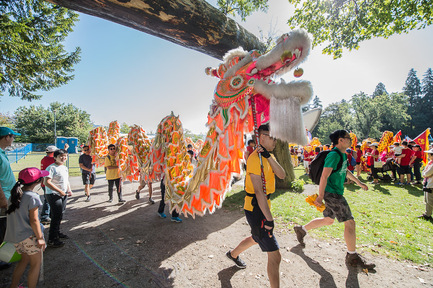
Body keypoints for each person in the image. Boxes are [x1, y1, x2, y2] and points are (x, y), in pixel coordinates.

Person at [293, 130, 375, 270]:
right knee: (350, 222)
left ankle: (301, 229)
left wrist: (359, 183)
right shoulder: (333, 155)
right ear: (340, 140)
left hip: (334, 192)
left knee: (328, 220)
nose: (350, 140)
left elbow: (345, 171)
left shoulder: (343, 155)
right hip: (332, 194)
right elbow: (324, 176)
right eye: (348, 138)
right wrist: (320, 196)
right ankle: (352, 256)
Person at [226, 124, 285, 288]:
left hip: (263, 204)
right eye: (273, 137)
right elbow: (258, 192)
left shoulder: (267, 156)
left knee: (256, 238)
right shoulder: (254, 159)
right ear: (263, 137)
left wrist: (268, 156)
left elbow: (282, 174)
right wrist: (269, 219)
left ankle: (233, 254)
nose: (275, 140)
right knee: (275, 255)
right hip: (256, 208)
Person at [4, 167, 48, 288]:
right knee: (35, 265)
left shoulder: (14, 195)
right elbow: (34, 220)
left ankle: (13, 285)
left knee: (23, 261)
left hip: (16, 237)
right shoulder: (33, 197)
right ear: (38, 181)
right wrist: (40, 238)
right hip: (29, 236)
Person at [0, 127, 20, 270]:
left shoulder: (2, 153)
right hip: (3, 200)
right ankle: (1, 258)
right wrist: (3, 200)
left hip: (8, 197)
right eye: (13, 136)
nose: (14, 139)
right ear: (7, 137)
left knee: (6, 228)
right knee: (2, 229)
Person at [44, 149, 72, 248]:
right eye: (61, 156)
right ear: (55, 157)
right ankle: (52, 239)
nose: (64, 158)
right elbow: (47, 182)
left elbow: (66, 180)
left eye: (65, 156)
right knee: (56, 216)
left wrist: (69, 190)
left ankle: (57, 232)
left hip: (63, 194)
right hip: (53, 195)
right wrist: (59, 191)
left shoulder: (64, 168)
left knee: (60, 214)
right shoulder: (51, 168)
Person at [40, 145, 57, 224]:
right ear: (53, 153)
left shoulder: (44, 159)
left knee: (48, 199)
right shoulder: (51, 160)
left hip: (44, 182)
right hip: (49, 182)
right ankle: (45, 216)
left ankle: (48, 215)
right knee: (48, 200)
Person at [418, 148, 433, 221]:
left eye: (429, 154)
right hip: (428, 183)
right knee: (427, 200)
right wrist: (425, 174)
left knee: (430, 201)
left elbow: (427, 173)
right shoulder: (430, 163)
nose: (428, 155)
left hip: (431, 184)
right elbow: (425, 173)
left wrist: (425, 174)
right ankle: (427, 214)